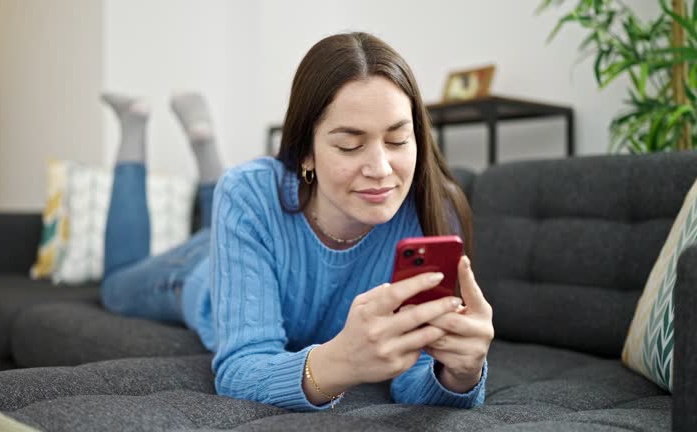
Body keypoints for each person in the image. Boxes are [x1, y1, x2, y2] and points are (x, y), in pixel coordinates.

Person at [100, 32, 494, 412]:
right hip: (201, 274)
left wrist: (459, 373)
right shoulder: (248, 194)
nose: (380, 168)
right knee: (115, 286)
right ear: (306, 153)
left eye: (397, 140)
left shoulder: (433, 210)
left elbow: (418, 373)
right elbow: (240, 368)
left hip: (247, 229)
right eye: (350, 145)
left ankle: (205, 154)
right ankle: (134, 128)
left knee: (227, 198)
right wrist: (341, 363)